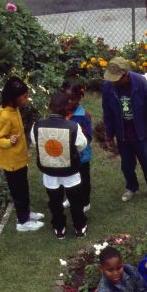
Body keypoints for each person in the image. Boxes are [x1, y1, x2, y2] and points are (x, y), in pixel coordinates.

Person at [101, 57, 147, 204]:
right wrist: (109, 134)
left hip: (141, 133)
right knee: (127, 165)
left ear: (126, 75)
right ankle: (132, 187)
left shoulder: (140, 83)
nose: (113, 82)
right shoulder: (108, 87)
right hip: (122, 133)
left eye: (116, 79)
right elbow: (107, 112)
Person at [31, 92, 87, 239]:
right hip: (70, 171)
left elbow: (36, 143)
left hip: (49, 171)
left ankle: (59, 228)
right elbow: (82, 145)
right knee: (75, 201)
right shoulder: (73, 126)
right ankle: (79, 227)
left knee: (54, 201)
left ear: (49, 107)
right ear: (66, 108)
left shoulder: (37, 126)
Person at [0, 77, 44, 232]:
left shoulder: (14, 110)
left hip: (20, 159)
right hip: (12, 163)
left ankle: (26, 213)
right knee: (18, 193)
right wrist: (9, 141)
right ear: (14, 97)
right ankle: (22, 222)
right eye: (24, 97)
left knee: (24, 188)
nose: (26, 99)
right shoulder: (5, 116)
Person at [62, 81, 92, 213]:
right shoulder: (61, 113)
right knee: (67, 178)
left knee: (83, 179)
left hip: (81, 156)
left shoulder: (84, 116)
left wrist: (78, 149)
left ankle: (85, 202)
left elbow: (89, 137)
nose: (69, 101)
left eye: (72, 99)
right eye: (66, 98)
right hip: (65, 155)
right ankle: (70, 198)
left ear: (79, 98)